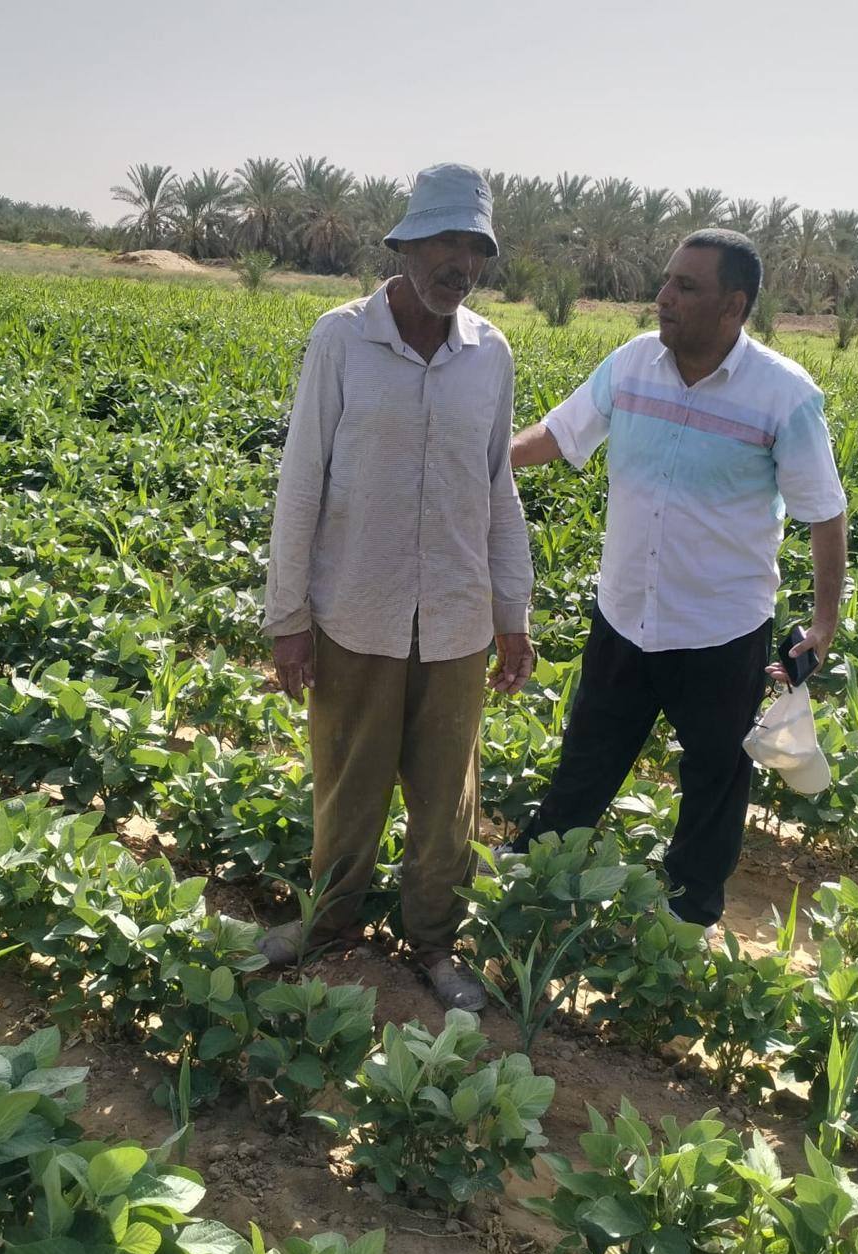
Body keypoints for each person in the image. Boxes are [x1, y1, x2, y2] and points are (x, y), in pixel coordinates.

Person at [508, 228, 846, 928]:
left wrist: (823, 622)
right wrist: (482, 457)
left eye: (686, 287)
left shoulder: (783, 396)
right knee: (584, 769)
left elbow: (824, 513)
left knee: (715, 784)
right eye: (666, 281)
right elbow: (558, 435)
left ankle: (687, 921)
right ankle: (527, 897)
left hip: (720, 630)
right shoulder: (632, 365)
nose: (663, 298)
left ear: (733, 306)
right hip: (625, 615)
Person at [259, 162, 535, 1009]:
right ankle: (327, 922)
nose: (461, 264)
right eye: (447, 243)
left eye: (476, 250)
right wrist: (288, 616)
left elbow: (497, 487)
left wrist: (511, 613)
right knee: (347, 784)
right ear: (408, 244)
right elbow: (302, 477)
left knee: (447, 804)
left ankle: (435, 944)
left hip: (454, 616)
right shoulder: (341, 339)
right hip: (356, 610)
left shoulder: (490, 354)